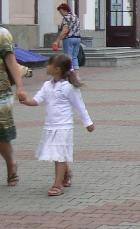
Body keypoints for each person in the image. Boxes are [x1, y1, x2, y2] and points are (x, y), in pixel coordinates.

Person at [19, 53, 93, 197]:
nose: (47, 67)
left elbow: (80, 106)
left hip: (64, 126)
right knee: (56, 153)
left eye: (49, 64)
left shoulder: (69, 87)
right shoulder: (47, 85)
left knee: (59, 154)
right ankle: (67, 173)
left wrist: (88, 123)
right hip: (50, 126)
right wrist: (25, 100)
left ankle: (57, 184)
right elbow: (37, 100)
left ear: (57, 69)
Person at [0, 27, 29, 187]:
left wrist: (20, 87)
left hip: (1, 93)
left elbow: (11, 62)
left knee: (2, 136)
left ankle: (11, 163)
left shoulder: (2, 34)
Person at [53, 3, 82, 78]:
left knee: (68, 57)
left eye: (61, 11)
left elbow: (65, 31)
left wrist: (57, 40)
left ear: (65, 10)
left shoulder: (66, 18)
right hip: (77, 38)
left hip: (69, 38)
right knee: (75, 56)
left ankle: (70, 74)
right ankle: (77, 74)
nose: (61, 14)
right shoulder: (75, 16)